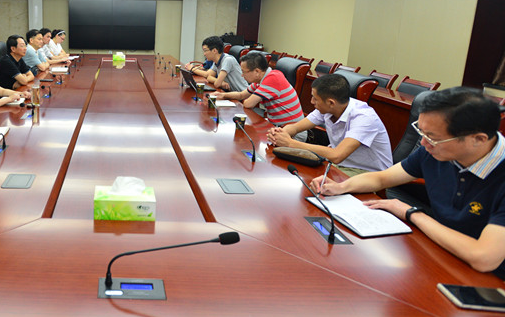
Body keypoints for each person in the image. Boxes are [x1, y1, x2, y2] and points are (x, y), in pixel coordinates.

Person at [311, 87, 505, 277]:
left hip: (489, 280)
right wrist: (340, 187)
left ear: (478, 139)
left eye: (432, 138)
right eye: (422, 133)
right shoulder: (432, 151)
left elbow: (483, 258)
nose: (423, 143)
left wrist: (412, 213)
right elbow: (381, 178)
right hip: (442, 253)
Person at [267, 73, 393, 175]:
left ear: (331, 103)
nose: (311, 102)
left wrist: (290, 143)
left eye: (315, 98)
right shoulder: (327, 109)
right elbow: (295, 127)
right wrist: (281, 133)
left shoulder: (364, 117)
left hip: (368, 172)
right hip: (340, 165)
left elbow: (337, 155)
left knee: (313, 183)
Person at [213, 51, 306, 140]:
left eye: (244, 72)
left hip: (293, 133)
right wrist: (223, 95)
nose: (242, 75)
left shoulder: (273, 78)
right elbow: (241, 95)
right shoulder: (262, 79)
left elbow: (248, 104)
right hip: (277, 127)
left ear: (257, 71)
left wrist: (243, 99)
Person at [183, 36, 248, 92]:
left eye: (205, 50)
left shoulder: (227, 60)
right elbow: (209, 77)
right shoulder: (216, 61)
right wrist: (221, 82)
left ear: (214, 50)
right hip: (233, 93)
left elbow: (217, 84)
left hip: (243, 96)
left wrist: (219, 82)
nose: (204, 54)